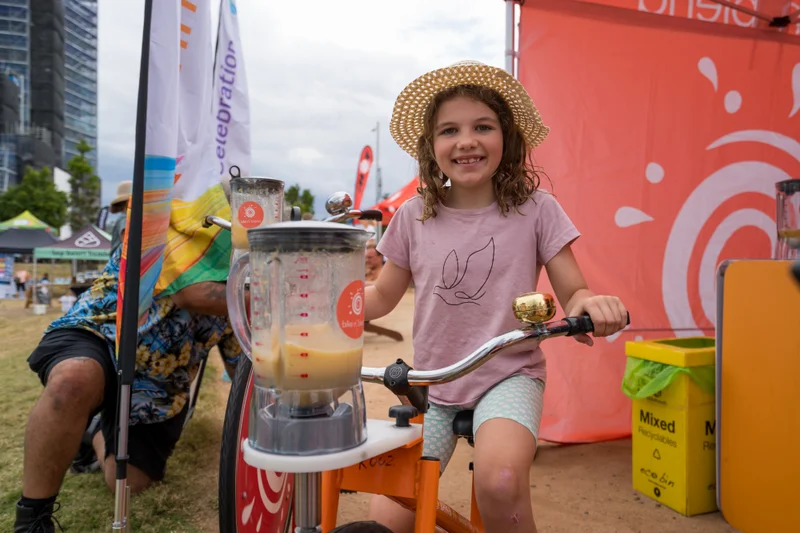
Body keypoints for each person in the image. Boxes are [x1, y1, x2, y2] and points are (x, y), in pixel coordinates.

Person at [363, 60, 628, 533]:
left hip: (510, 375)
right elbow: (380, 298)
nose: (466, 140)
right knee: (389, 511)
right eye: (449, 130)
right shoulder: (412, 216)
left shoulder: (536, 210)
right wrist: (324, 300)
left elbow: (575, 291)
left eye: (482, 126)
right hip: (432, 384)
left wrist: (590, 304)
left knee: (500, 481)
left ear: (506, 139)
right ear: (431, 147)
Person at [14, 244, 240, 533]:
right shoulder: (179, 218)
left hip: (160, 383)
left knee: (129, 484)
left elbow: (240, 368)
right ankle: (32, 520)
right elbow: (189, 292)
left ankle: (92, 431)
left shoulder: (248, 277)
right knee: (73, 379)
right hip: (101, 332)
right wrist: (269, 294)